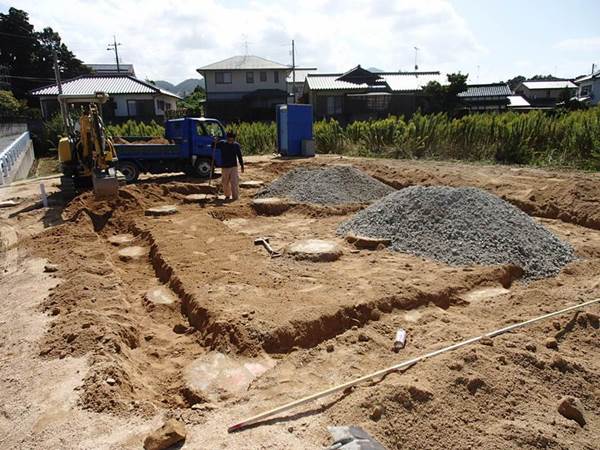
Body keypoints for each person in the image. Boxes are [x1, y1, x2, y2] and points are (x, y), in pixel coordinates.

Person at [215, 131, 244, 200]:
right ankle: (227, 195)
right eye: (229, 139)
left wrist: (242, 166)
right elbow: (213, 146)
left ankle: (235, 196)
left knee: (234, 182)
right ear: (227, 138)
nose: (230, 141)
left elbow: (239, 156)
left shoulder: (236, 145)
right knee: (225, 182)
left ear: (234, 139)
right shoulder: (222, 143)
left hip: (233, 166)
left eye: (232, 140)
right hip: (225, 167)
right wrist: (215, 141)